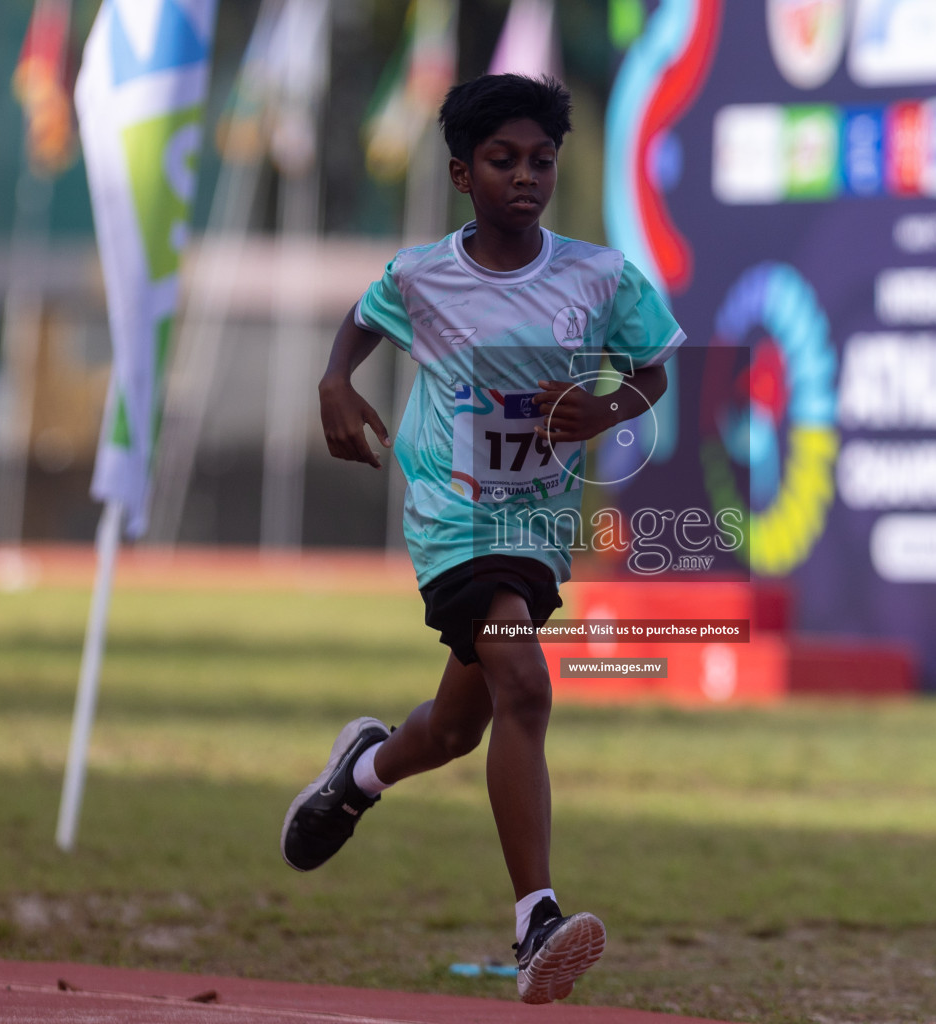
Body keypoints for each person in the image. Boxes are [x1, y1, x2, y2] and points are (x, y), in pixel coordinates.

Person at [279, 73, 685, 1005]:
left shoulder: (600, 277)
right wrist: (334, 384)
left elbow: (655, 371)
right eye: (503, 160)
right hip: (454, 517)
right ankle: (535, 921)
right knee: (524, 682)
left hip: (537, 522)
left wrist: (603, 406)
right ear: (464, 173)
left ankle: (363, 771)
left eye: (542, 160)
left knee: (460, 727)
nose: (525, 176)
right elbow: (361, 320)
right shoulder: (424, 274)